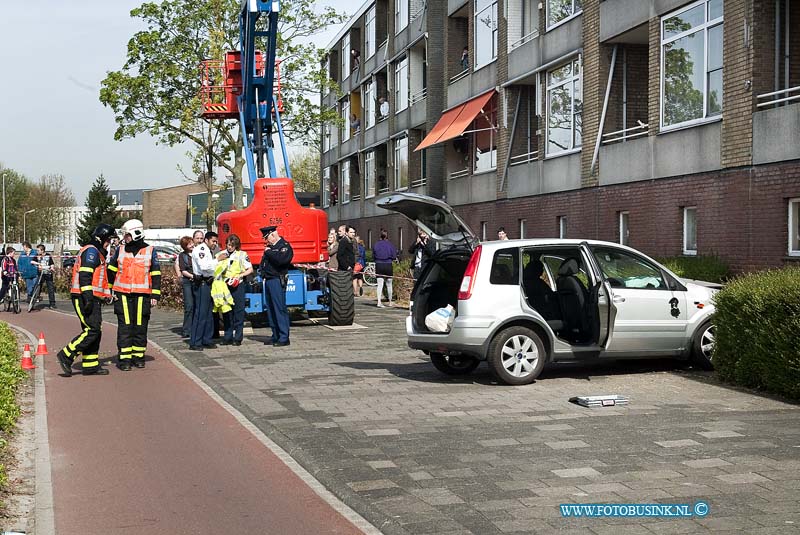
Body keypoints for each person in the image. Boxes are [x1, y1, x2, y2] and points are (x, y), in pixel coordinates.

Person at [55, 224, 117, 376]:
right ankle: (66, 354)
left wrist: (107, 296)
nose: (109, 243)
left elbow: (99, 280)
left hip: (91, 297)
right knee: (92, 330)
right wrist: (88, 298)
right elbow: (85, 276)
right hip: (83, 296)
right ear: (101, 238)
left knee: (95, 331)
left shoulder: (97, 253)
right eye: (108, 240)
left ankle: (90, 365)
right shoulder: (91, 251)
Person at [107, 219, 162, 371]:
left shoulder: (150, 251)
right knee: (125, 327)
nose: (125, 238)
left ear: (136, 234)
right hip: (122, 294)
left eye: (127, 235)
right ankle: (124, 359)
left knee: (140, 326)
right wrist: (110, 291)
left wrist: (155, 295)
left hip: (142, 295)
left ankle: (138, 357)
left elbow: (156, 274)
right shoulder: (120, 250)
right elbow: (111, 271)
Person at [259, 226, 293, 347]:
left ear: (273, 235)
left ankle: (284, 337)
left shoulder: (284, 246)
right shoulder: (271, 248)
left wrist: (268, 252)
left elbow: (281, 260)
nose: (266, 241)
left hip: (277, 280)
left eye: (267, 238)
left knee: (279, 309)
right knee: (271, 309)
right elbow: (263, 263)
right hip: (268, 280)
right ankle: (275, 335)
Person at [217, 234, 253, 346]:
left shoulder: (242, 255)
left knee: (239, 312)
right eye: (228, 244)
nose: (230, 247)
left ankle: (238, 338)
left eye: (232, 245)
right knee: (227, 311)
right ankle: (227, 337)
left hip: (238, 285)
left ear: (236, 245)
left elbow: (250, 269)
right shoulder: (221, 254)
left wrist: (240, 275)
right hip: (225, 285)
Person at [189, 231, 219, 351]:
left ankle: (206, 339)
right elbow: (204, 267)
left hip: (208, 282)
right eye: (213, 241)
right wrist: (218, 259)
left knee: (208, 313)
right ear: (206, 240)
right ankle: (195, 341)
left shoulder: (207, 250)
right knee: (201, 313)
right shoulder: (201, 249)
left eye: (216, 241)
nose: (215, 244)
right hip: (201, 283)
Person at [175, 236, 196, 338]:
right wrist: (192, 276)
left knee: (197, 305)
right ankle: (186, 329)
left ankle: (195, 328)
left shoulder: (197, 253)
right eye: (189, 244)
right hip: (188, 280)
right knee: (189, 305)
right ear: (185, 246)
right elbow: (182, 270)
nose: (192, 245)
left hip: (198, 281)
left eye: (192, 243)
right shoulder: (182, 256)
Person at [372, 229, 397, 308]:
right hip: (388, 265)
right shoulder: (390, 245)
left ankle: (379, 302)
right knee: (389, 284)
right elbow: (394, 256)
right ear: (387, 236)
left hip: (379, 265)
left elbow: (373, 256)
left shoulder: (376, 244)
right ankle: (390, 302)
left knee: (380, 285)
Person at [31, 244, 56, 308]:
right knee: (37, 287)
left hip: (48, 273)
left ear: (42, 250)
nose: (37, 252)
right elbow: (32, 261)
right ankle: (34, 300)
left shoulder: (48, 255)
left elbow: (52, 263)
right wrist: (38, 263)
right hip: (41, 273)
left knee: (50, 288)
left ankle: (52, 303)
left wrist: (52, 268)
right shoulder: (37, 256)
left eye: (38, 250)